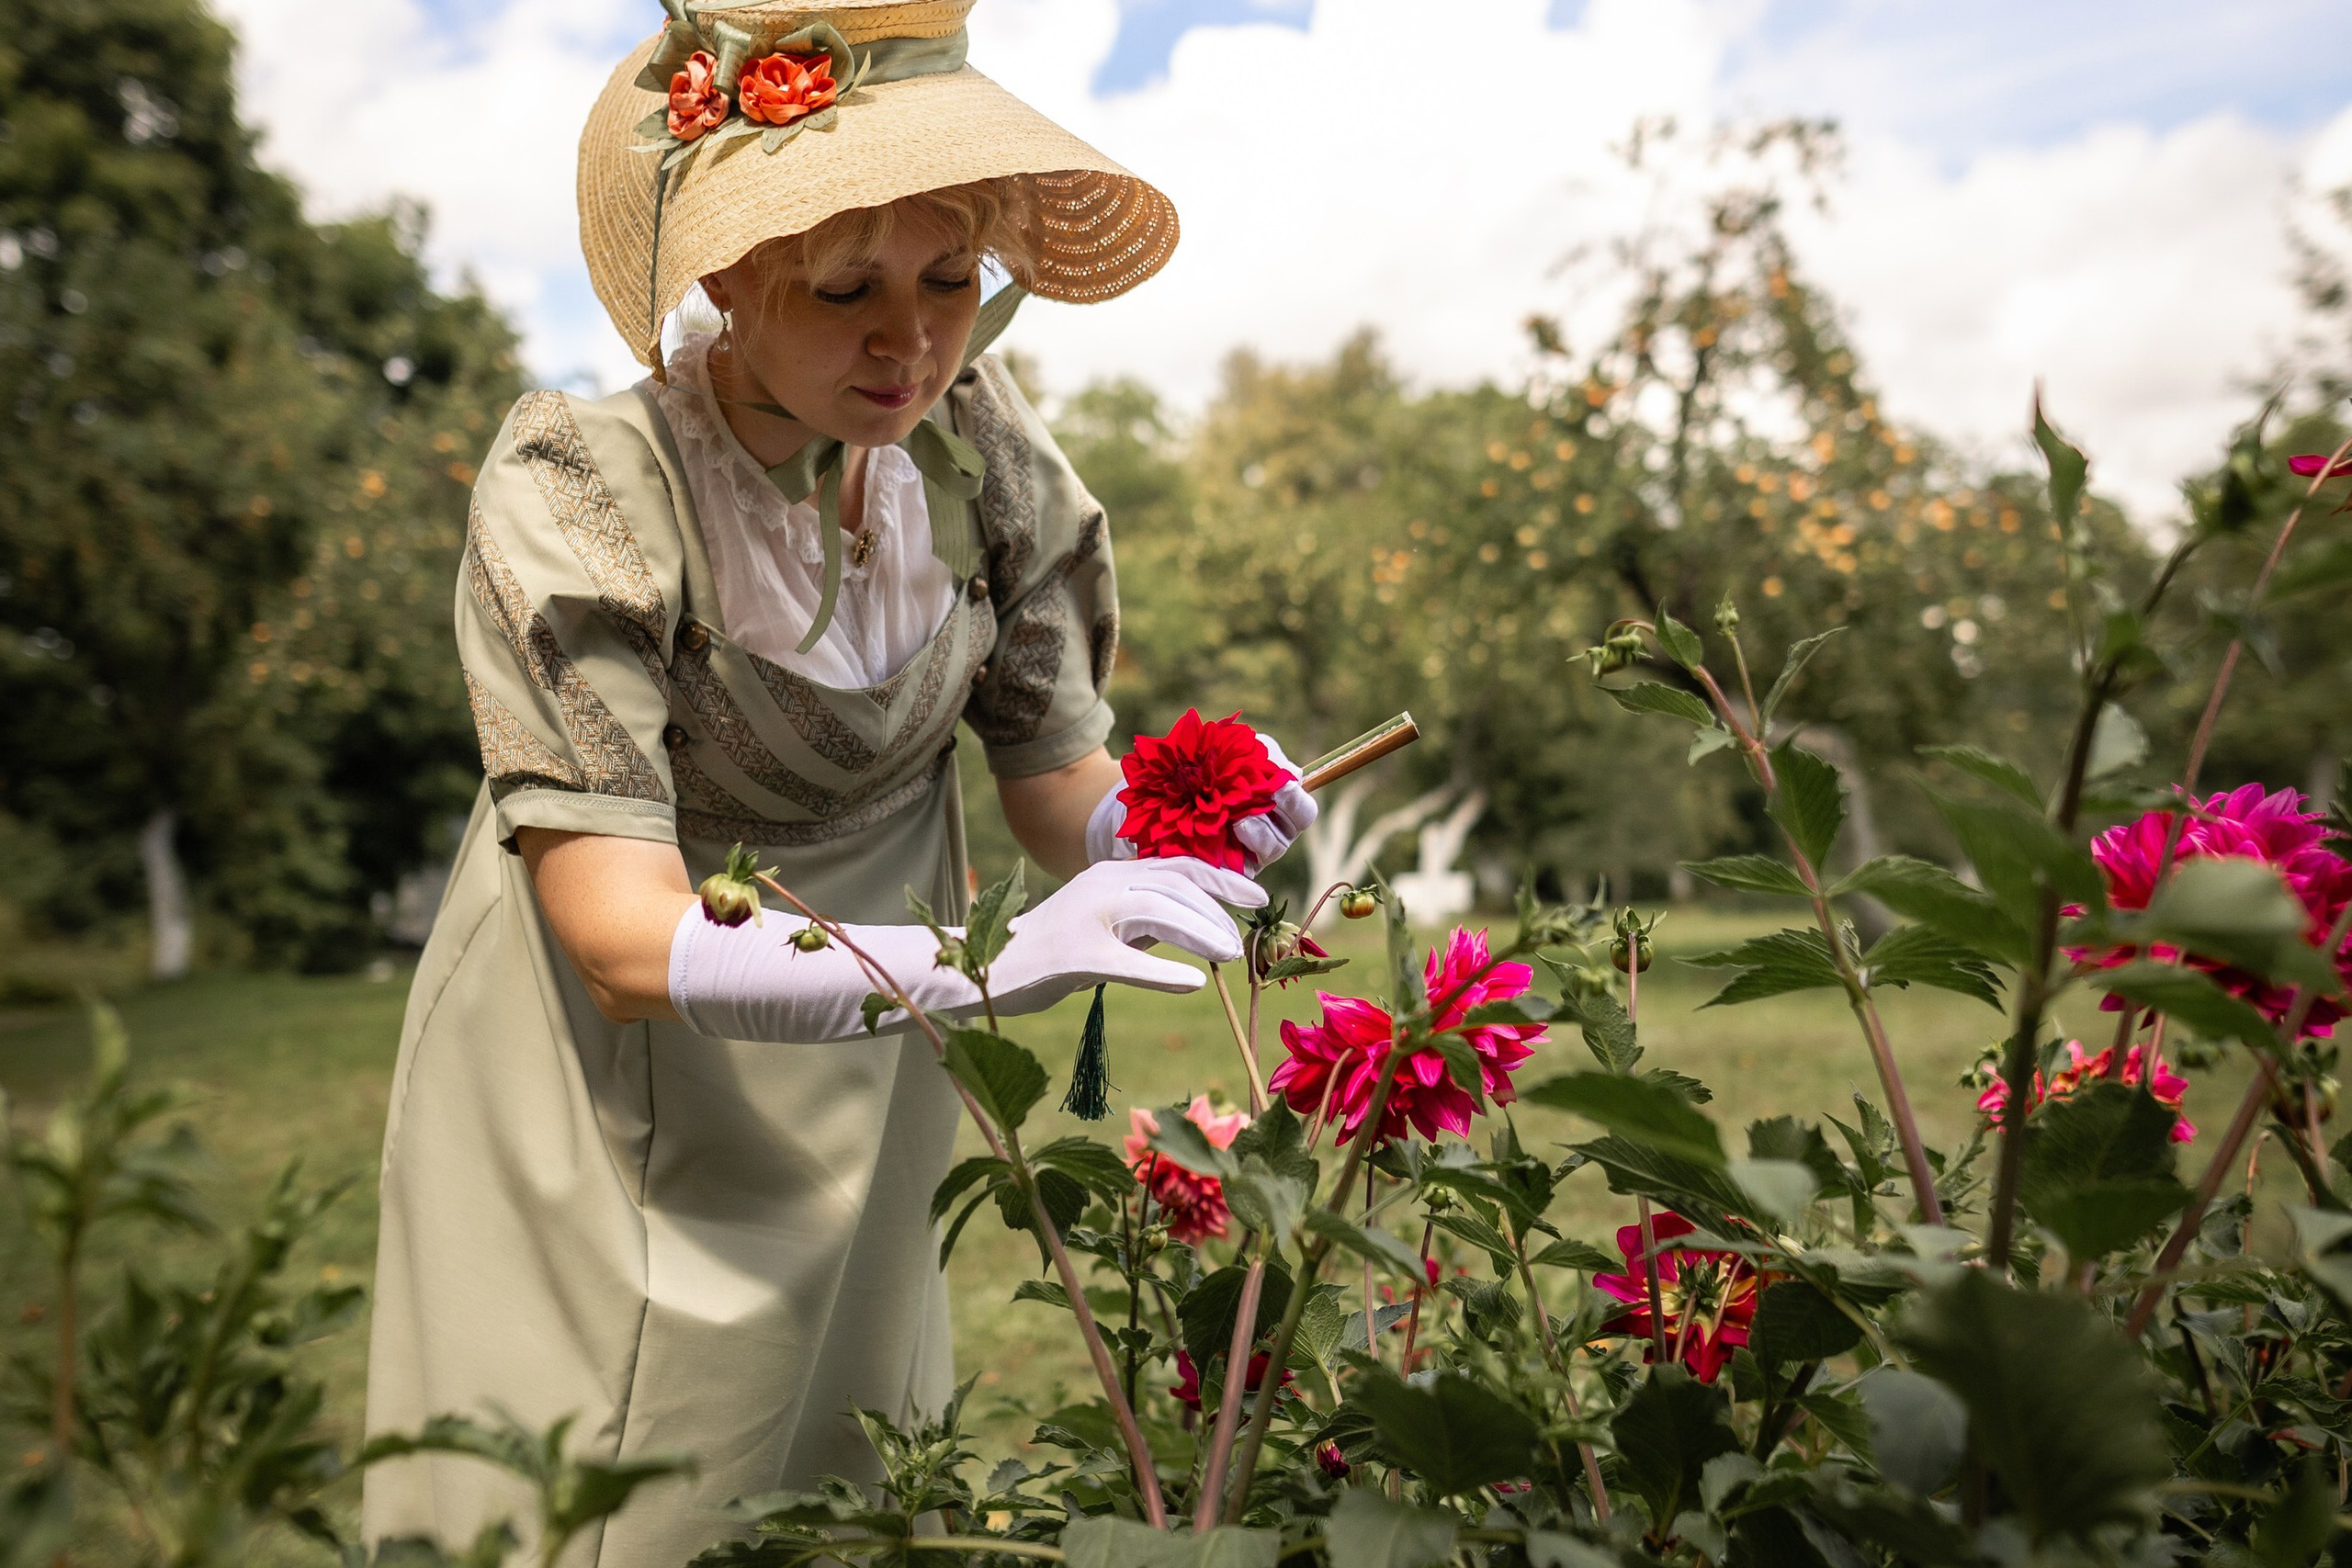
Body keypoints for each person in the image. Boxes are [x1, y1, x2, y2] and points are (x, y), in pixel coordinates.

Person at [357, 4, 1315, 1562]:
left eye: (949, 281)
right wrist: (993, 963)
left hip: (878, 1063)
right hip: (619, 1072)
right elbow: (616, 944)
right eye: (845, 288)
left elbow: (1056, 775)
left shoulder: (980, 460)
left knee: (853, 1469)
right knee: (609, 1486)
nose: (912, 342)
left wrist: (1181, 823)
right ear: (727, 279)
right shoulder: (586, 493)